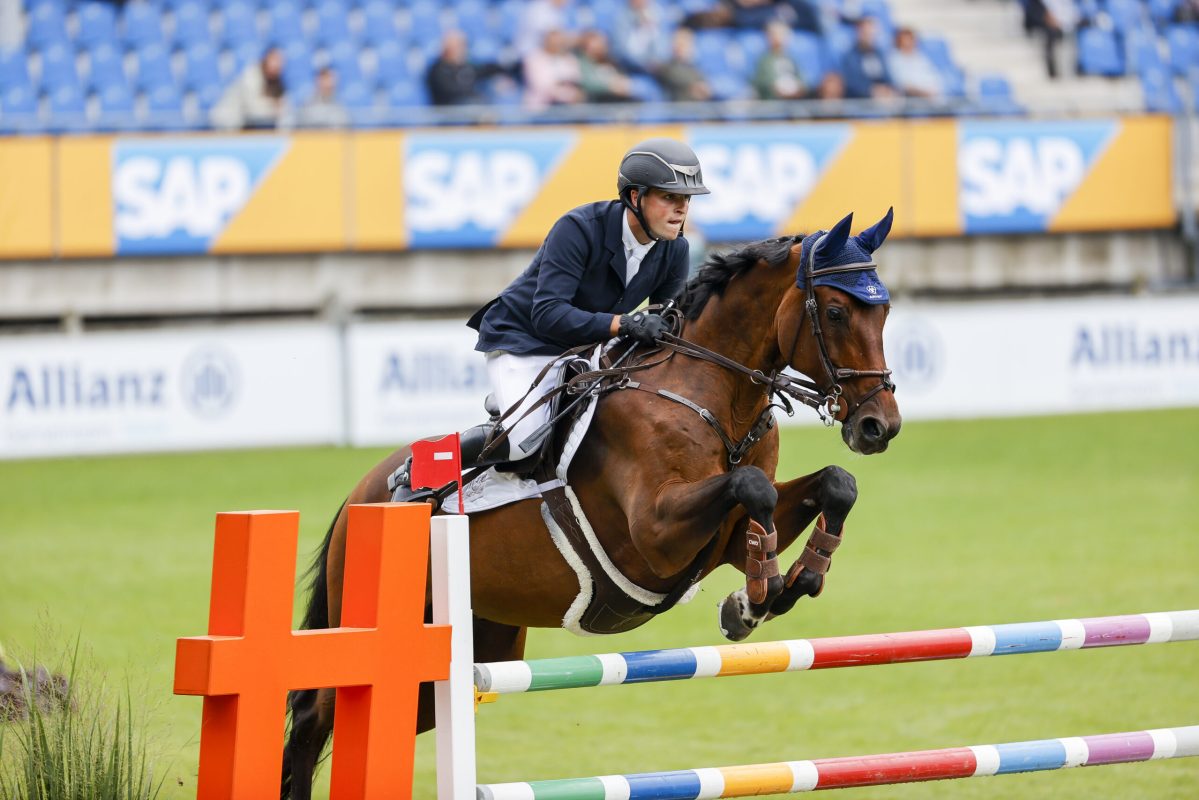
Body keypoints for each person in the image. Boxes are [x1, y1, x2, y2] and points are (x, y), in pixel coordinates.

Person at [390, 139, 710, 500]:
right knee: (524, 439)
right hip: (525, 338)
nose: (681, 209)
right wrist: (624, 324)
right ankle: (423, 466)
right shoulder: (578, 228)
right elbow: (548, 313)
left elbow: (663, 321)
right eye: (669, 197)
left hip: (585, 348)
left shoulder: (675, 249)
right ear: (635, 198)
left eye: (686, 199)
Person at [210, 46, 288, 130]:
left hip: (247, 127)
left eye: (280, 62)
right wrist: (273, 107)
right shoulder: (251, 75)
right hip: (226, 124)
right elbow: (253, 109)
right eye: (274, 60)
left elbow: (285, 108)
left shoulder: (277, 81)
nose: (277, 65)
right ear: (266, 60)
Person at [426, 29, 499, 106]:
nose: (463, 50)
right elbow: (450, 92)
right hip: (448, 112)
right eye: (459, 46)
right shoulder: (438, 70)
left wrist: (502, 74)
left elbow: (485, 69)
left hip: (468, 108)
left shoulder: (465, 66)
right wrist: (472, 94)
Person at [522, 28, 583, 110]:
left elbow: (576, 80)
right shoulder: (534, 59)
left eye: (560, 41)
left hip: (568, 107)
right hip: (542, 107)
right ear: (546, 41)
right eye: (554, 41)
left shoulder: (569, 58)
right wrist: (566, 94)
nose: (557, 44)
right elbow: (542, 86)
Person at [840, 16, 896, 99]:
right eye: (864, 33)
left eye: (870, 33)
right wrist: (871, 91)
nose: (868, 36)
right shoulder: (850, 56)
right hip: (862, 100)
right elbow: (852, 82)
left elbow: (888, 77)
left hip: (883, 97)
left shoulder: (879, 54)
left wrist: (889, 90)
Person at [752, 20, 809, 100]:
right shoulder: (764, 60)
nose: (778, 37)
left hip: (793, 102)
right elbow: (761, 81)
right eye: (774, 34)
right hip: (773, 103)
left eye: (782, 34)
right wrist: (776, 89)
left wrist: (798, 88)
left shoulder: (791, 58)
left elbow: (802, 79)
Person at [612, 0, 672, 74]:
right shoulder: (621, 17)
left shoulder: (657, 12)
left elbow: (664, 47)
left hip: (659, 67)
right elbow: (623, 51)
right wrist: (646, 63)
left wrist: (650, 28)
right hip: (631, 69)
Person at [576, 29, 635, 103]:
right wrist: (609, 87)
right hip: (596, 104)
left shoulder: (612, 61)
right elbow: (588, 83)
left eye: (603, 43)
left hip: (617, 103)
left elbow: (624, 81)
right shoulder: (582, 63)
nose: (601, 46)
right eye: (597, 43)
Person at [656, 28, 713, 102]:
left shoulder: (695, 67)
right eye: (678, 44)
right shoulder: (666, 67)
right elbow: (674, 75)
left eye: (684, 44)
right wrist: (695, 86)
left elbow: (707, 87)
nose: (680, 48)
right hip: (678, 108)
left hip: (699, 109)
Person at [888, 26, 943, 99]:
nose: (908, 43)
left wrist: (932, 91)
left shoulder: (920, 57)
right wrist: (922, 92)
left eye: (910, 40)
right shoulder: (894, 59)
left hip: (930, 98)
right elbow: (902, 84)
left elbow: (934, 78)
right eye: (905, 40)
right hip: (912, 100)